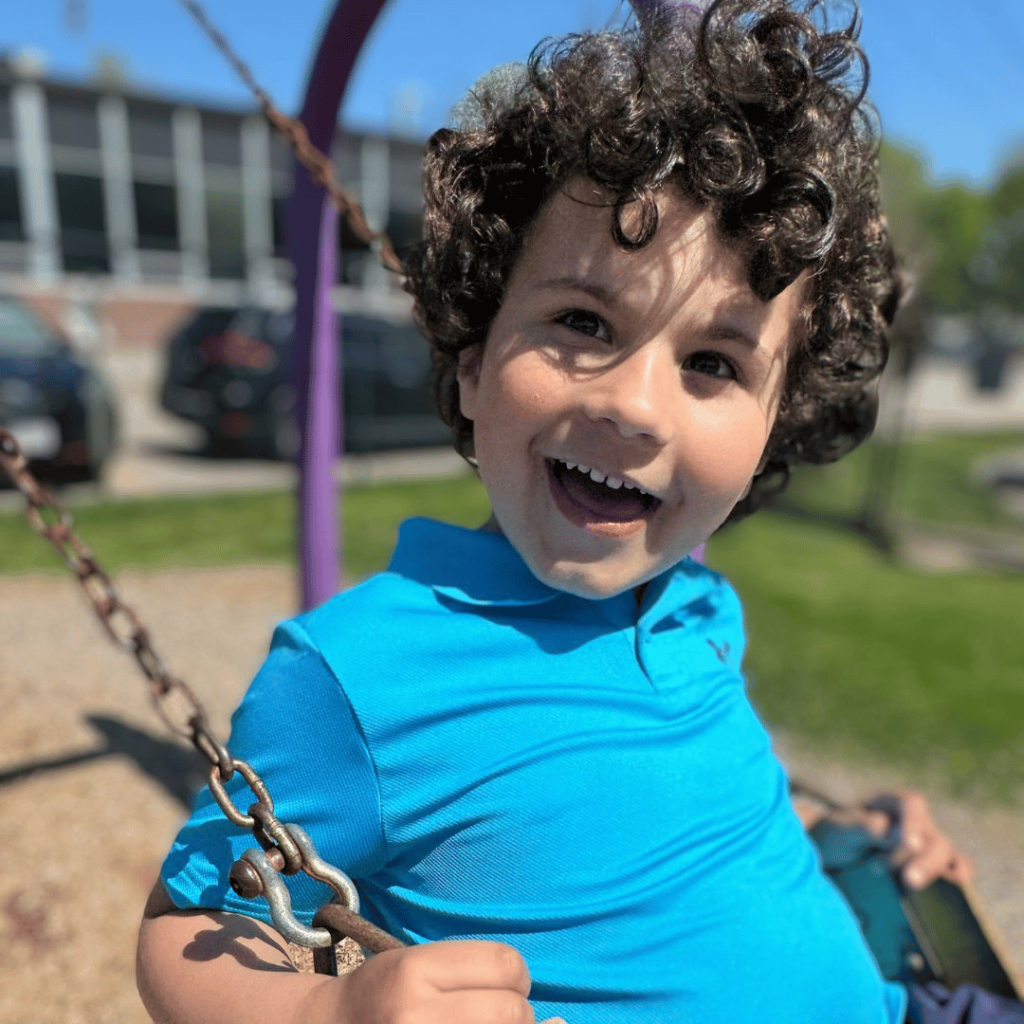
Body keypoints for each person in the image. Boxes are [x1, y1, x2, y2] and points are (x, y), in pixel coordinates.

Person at [136, 2, 1005, 1022]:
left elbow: (694, 834)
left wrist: (852, 839)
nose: (631, 406)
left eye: (713, 363)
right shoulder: (354, 675)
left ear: (775, 427)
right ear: (471, 368)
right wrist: (321, 1011)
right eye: (582, 321)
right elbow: (178, 928)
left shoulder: (694, 604)